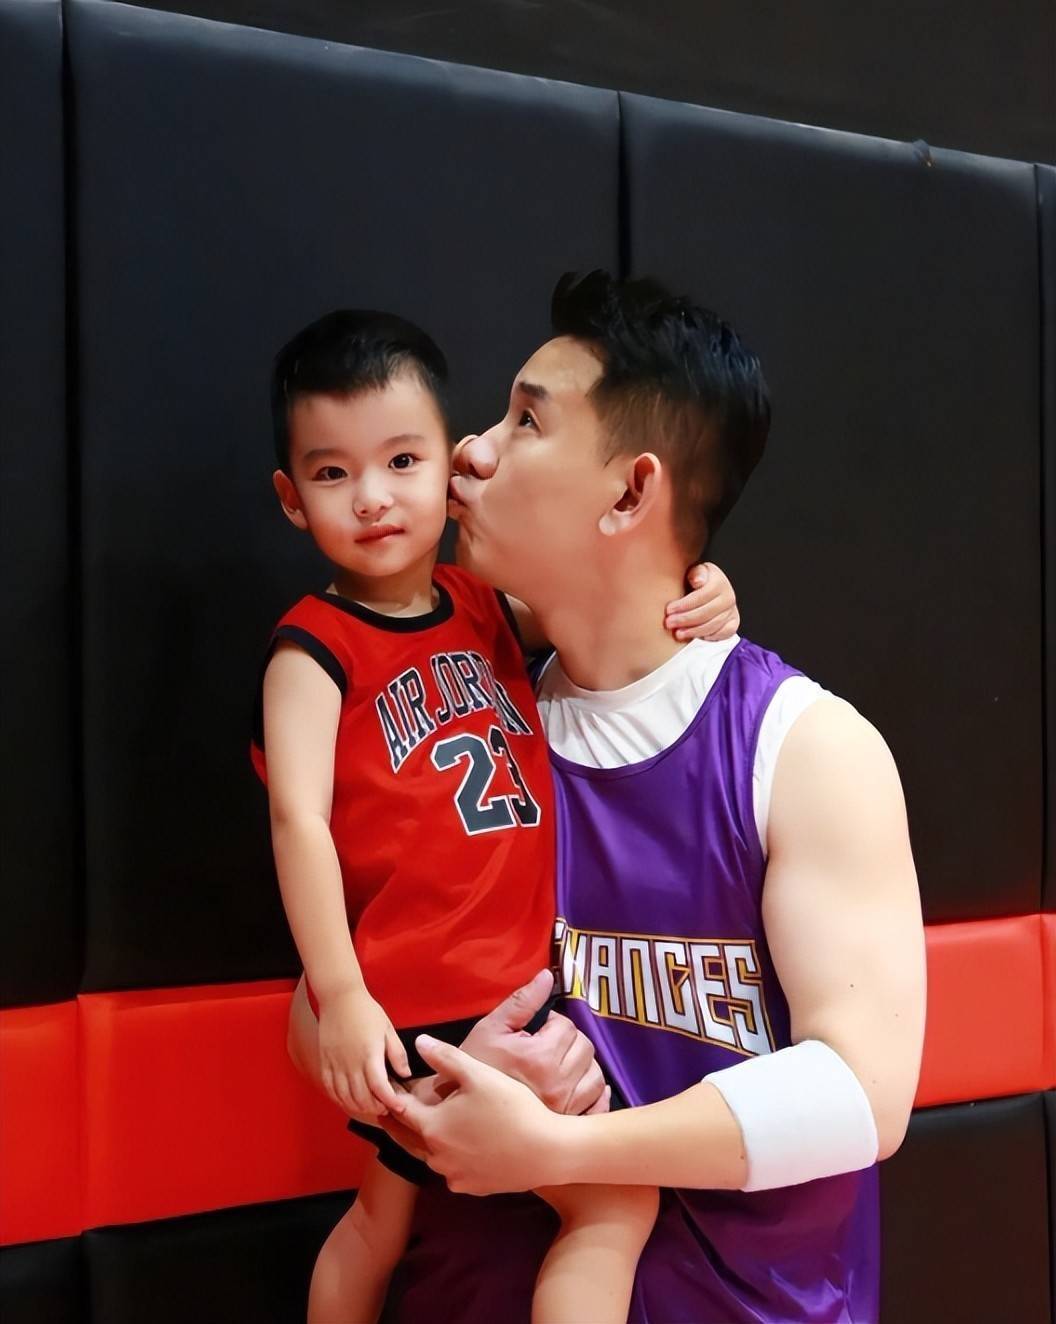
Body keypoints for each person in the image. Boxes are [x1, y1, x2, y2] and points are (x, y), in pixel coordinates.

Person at [375, 271, 927, 1324]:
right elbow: (325, 1013)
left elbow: (861, 1094)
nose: (469, 451)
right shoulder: (452, 727)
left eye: (526, 421)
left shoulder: (805, 747)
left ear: (631, 494)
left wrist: (563, 1150)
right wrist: (424, 1068)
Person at [253, 308, 738, 1323]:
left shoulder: (483, 607)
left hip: (507, 990)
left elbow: (612, 595)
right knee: (604, 1201)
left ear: (447, 466)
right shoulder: (312, 649)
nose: (373, 496)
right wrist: (342, 997)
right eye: (334, 473)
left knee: (388, 1219)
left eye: (401, 461)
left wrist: (704, 588)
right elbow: (298, 823)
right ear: (292, 499)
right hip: (414, 1004)